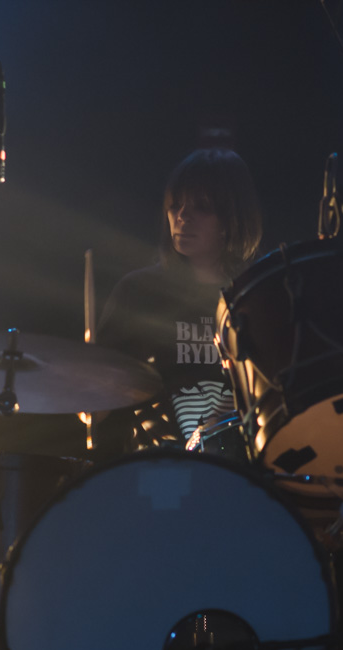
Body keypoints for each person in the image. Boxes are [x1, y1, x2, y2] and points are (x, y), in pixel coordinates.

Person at [96, 148, 262, 454]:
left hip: (241, 469)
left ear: (231, 219)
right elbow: (96, 399)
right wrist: (86, 394)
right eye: (176, 205)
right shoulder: (137, 291)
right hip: (154, 467)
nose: (182, 216)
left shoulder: (258, 298)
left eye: (202, 207)